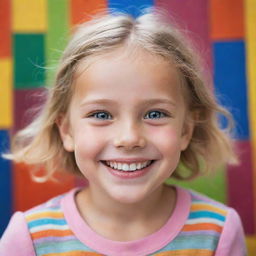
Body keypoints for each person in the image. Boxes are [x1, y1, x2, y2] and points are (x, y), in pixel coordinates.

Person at [0, 9, 247, 256]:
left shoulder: (219, 232)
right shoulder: (30, 239)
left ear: (185, 130)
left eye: (155, 114)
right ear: (67, 131)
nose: (129, 138)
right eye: (101, 115)